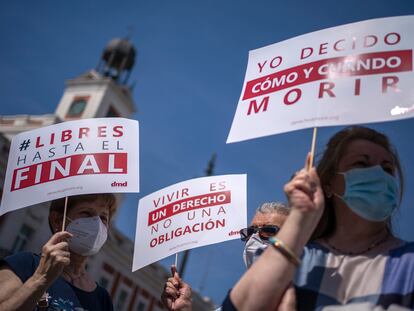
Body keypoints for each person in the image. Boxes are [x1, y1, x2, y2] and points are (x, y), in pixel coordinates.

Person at [223, 126, 414, 311]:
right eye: (362, 164)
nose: (378, 175)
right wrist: (300, 217)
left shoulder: (408, 262)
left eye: (387, 169)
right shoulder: (297, 261)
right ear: (329, 183)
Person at [161, 202, 291, 311]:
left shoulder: (305, 294)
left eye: (268, 231)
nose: (254, 238)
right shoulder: (232, 305)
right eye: (250, 232)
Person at [0, 193, 116, 310]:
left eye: (103, 218)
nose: (96, 224)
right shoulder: (24, 264)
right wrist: (40, 279)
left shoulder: (103, 299)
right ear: (57, 220)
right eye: (86, 213)